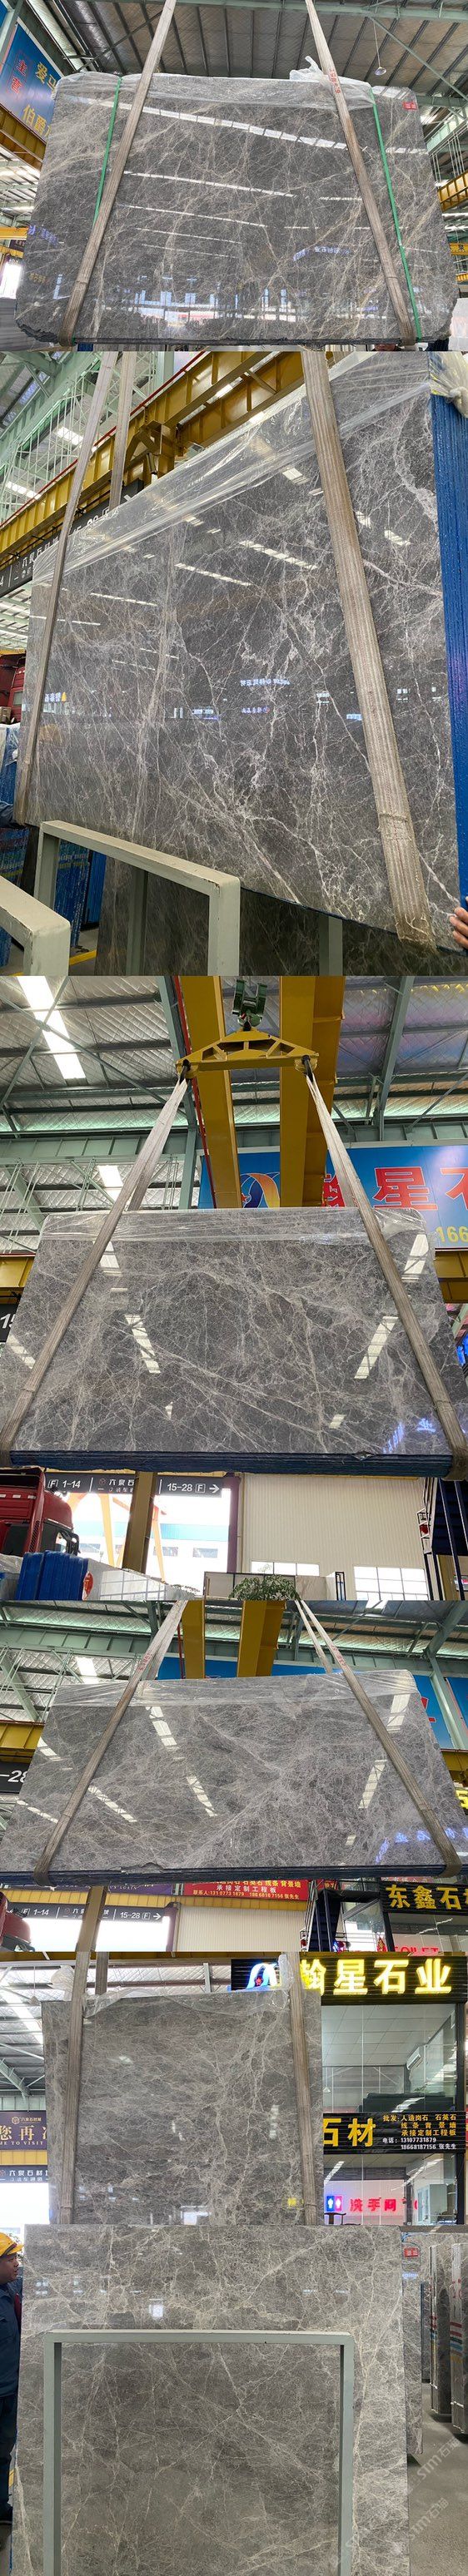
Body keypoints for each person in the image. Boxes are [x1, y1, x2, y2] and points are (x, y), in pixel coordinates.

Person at [0, 2234, 22, 2528]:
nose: (16, 2264)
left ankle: (0, 2507)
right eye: (10, 2259)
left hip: (9, 2391)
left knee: (3, 2453)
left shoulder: (10, 2290)